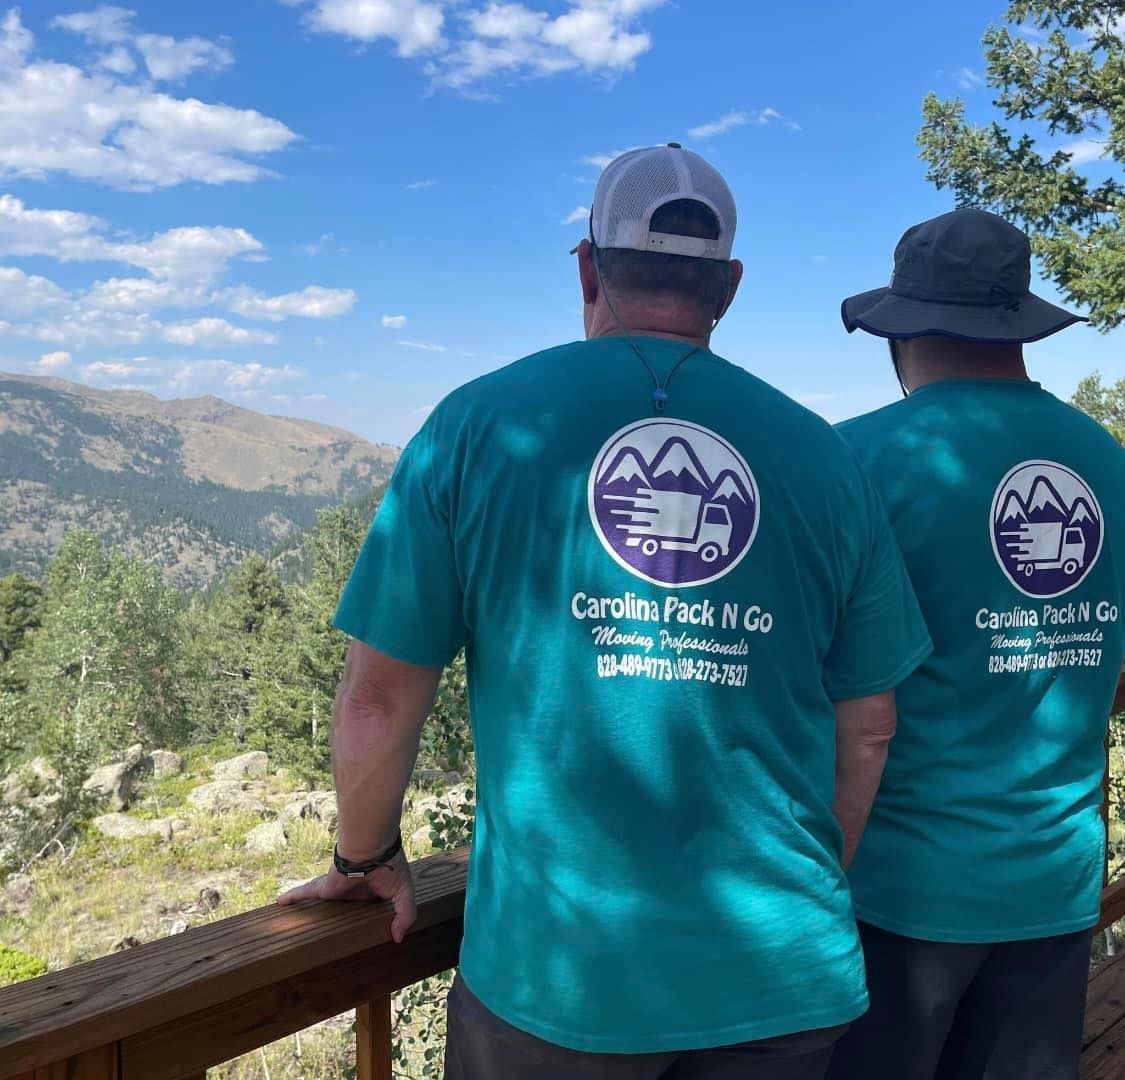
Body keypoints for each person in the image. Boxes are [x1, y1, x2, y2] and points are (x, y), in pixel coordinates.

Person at [280, 145, 931, 1079]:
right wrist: (808, 886)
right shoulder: (824, 457)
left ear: (588, 266)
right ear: (730, 289)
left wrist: (364, 854)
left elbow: (379, 698)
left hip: (562, 984)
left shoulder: (474, 426)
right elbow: (867, 727)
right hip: (783, 974)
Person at [826, 208, 1125, 1080]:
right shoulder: (1104, 462)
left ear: (900, 327)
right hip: (1054, 879)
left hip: (896, 890)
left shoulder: (855, 461)